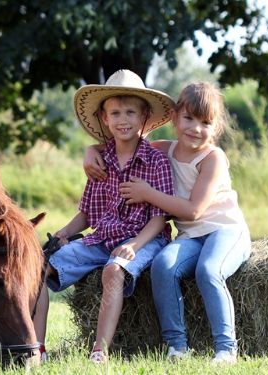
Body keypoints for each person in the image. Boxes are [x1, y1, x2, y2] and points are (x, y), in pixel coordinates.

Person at [84, 82, 251, 364]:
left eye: (205, 122)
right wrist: (90, 151)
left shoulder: (213, 158)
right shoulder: (165, 149)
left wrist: (148, 194)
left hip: (224, 231)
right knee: (163, 266)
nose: (195, 129)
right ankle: (177, 346)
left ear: (216, 127)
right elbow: (120, 145)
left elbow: (194, 211)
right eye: (188, 119)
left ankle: (226, 348)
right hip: (191, 238)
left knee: (208, 271)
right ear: (174, 118)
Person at [33, 69, 175, 364]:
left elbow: (161, 218)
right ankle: (37, 348)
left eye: (131, 112)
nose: (123, 120)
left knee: (113, 270)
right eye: (116, 113)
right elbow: (88, 214)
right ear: (104, 118)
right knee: (38, 267)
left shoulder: (156, 161)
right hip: (103, 238)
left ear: (144, 116)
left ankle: (99, 350)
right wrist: (62, 233)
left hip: (145, 237)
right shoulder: (100, 161)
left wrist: (134, 245)